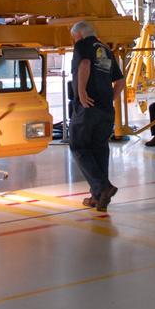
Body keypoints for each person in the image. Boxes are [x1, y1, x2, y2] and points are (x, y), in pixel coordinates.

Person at [68, 21, 123, 211]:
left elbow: (84, 63)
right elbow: (121, 81)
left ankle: (103, 187)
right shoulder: (106, 49)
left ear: (80, 35)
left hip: (87, 108)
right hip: (105, 109)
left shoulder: (82, 45)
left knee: (78, 146)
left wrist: (82, 92)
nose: (74, 40)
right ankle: (98, 197)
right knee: (99, 148)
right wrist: (109, 98)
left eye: (73, 37)